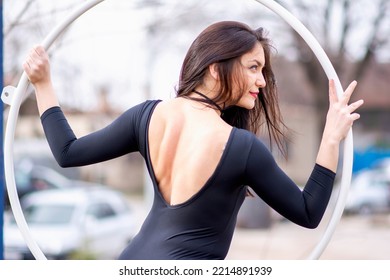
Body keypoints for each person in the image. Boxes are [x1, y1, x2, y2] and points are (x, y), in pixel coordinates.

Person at [23, 21, 363, 260]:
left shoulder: (146, 116)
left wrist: (43, 85)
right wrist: (331, 137)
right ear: (216, 68)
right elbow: (308, 212)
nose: (261, 81)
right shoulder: (241, 147)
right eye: (253, 67)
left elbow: (67, 152)